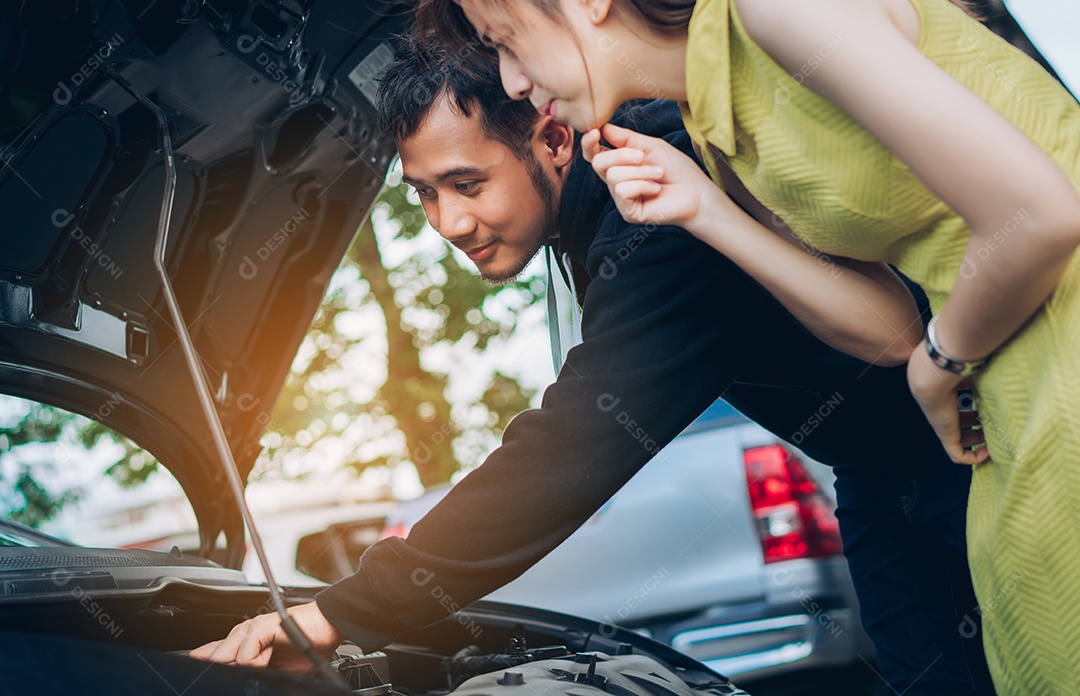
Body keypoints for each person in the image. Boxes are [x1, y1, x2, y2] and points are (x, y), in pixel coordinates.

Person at [192, 34, 996, 694]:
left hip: (979, 449)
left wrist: (342, 613)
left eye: (467, 183)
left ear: (551, 138)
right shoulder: (604, 204)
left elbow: (570, 449)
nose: (450, 221)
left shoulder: (655, 207)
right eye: (425, 194)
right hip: (878, 474)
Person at [418, 0, 1080, 692]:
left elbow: (1042, 215)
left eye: (509, 42)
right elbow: (890, 331)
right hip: (1004, 403)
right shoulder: (709, 120)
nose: (513, 81)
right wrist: (709, 211)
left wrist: (941, 361)